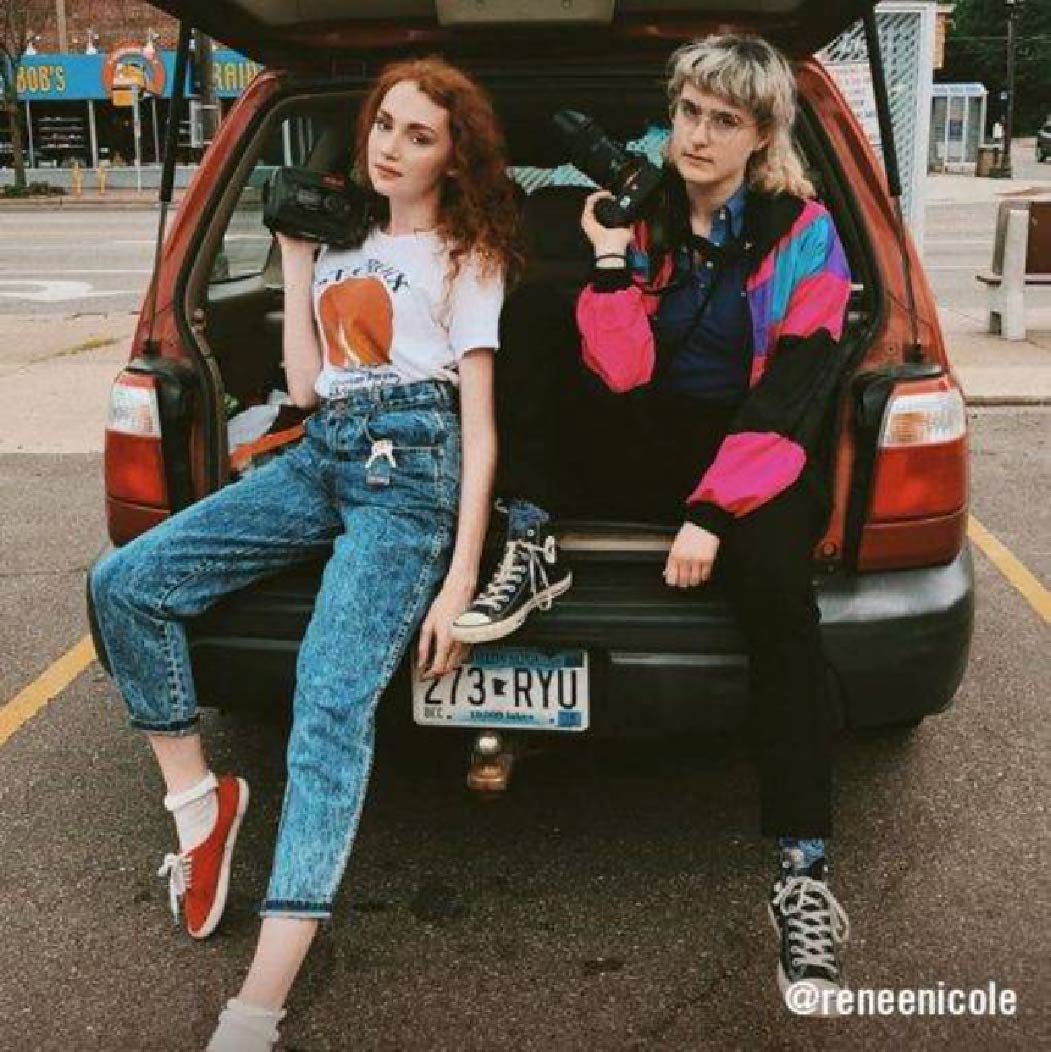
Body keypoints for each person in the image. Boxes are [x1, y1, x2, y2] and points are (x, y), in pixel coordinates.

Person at [89, 57, 520, 1051]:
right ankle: (202, 806)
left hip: (412, 469)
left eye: (420, 135)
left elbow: (481, 431)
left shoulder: (467, 253)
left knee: (329, 698)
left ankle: (259, 1002)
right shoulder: (341, 246)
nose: (390, 145)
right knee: (126, 584)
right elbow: (309, 386)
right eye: (384, 124)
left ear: (454, 160)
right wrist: (293, 257)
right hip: (322, 451)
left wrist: (457, 580)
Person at [452, 34, 853, 1009]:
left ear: (761, 134)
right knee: (537, 314)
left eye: (725, 119)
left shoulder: (803, 233)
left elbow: (793, 393)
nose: (700, 135)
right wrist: (602, 264)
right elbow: (621, 373)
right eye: (689, 113)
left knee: (777, 599)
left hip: (755, 450)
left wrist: (712, 516)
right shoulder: (643, 217)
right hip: (651, 435)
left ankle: (801, 872)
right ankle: (534, 533)